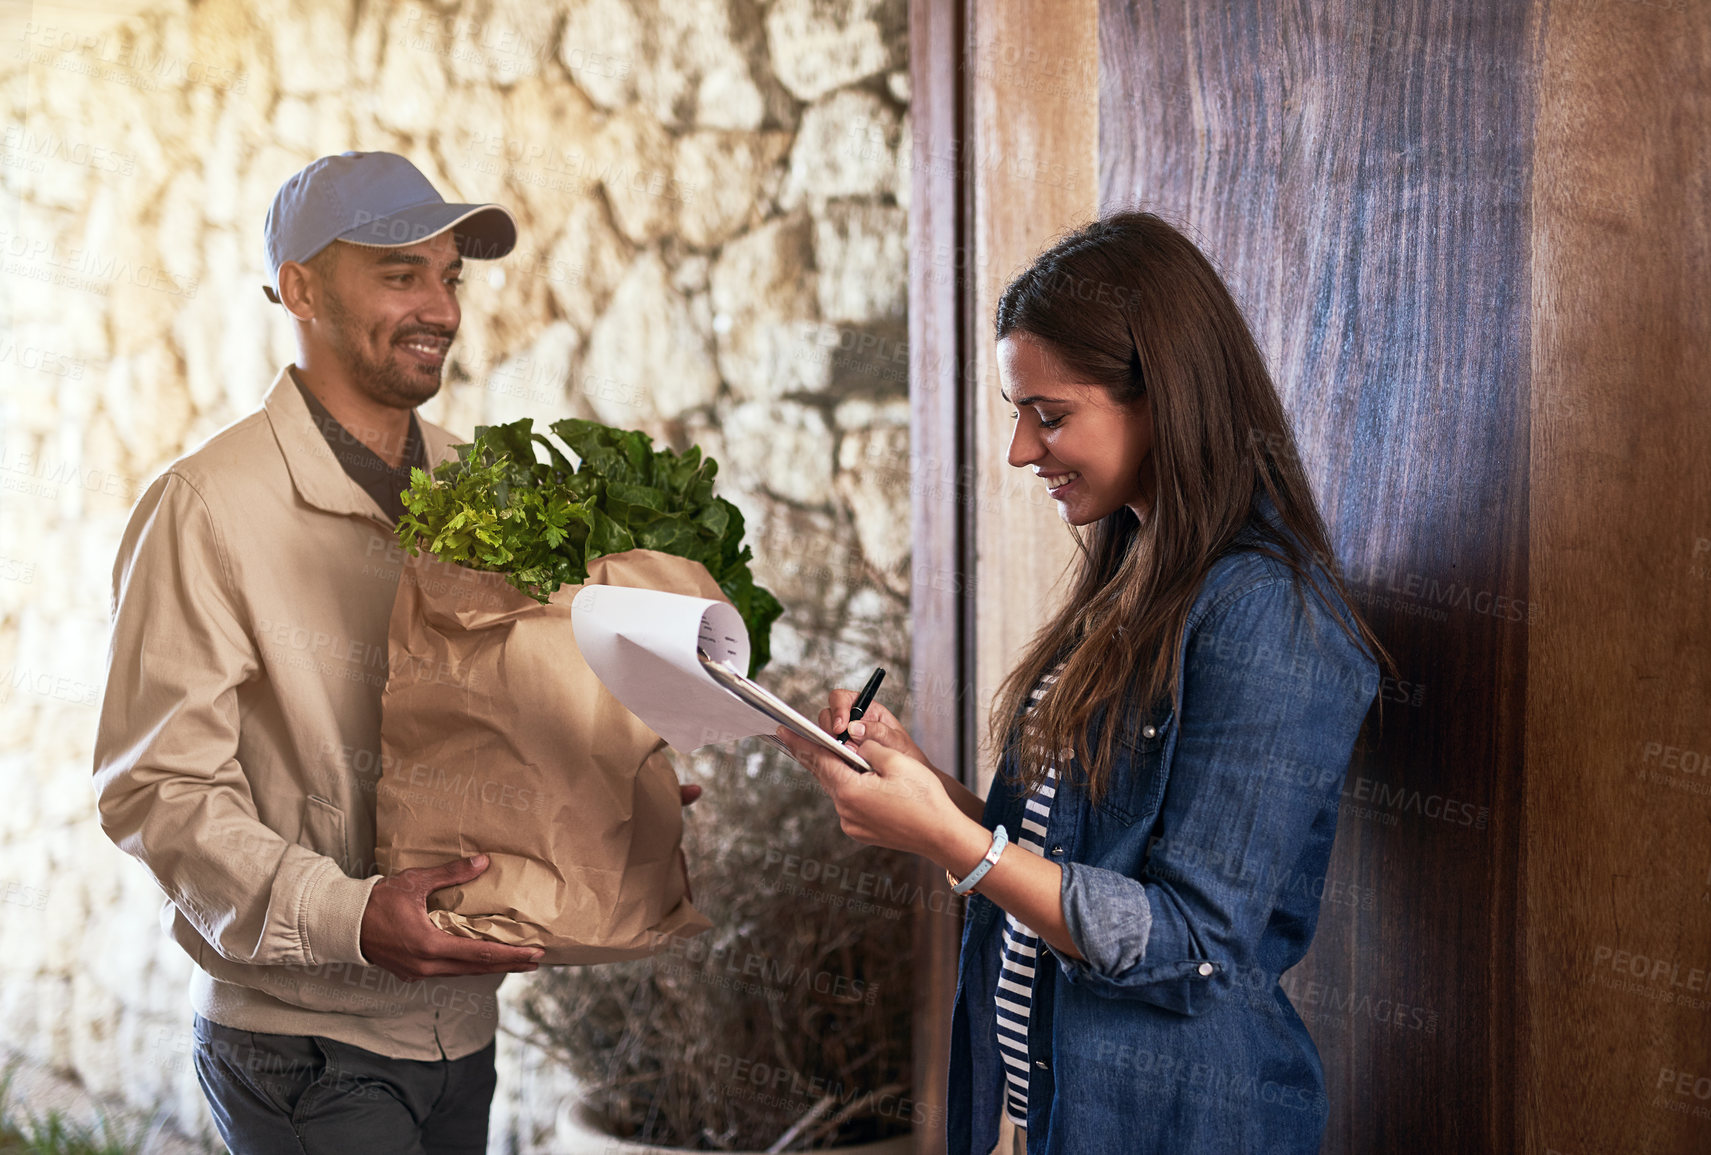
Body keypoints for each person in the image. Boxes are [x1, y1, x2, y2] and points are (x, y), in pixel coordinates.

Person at [91, 151, 701, 1154]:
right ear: (300, 288)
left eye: (449, 275)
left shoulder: (480, 484)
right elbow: (158, 791)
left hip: (461, 1029)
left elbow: (500, 717)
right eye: (399, 273)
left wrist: (597, 779)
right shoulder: (206, 508)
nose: (442, 307)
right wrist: (348, 918)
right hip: (308, 1046)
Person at [777, 211, 1393, 1155]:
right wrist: (922, 786)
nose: (1023, 451)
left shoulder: (1266, 611)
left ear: (1165, 398)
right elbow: (1070, 855)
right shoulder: (1130, 579)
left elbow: (1189, 942)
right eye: (1019, 414)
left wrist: (956, 843)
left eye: (1050, 415)